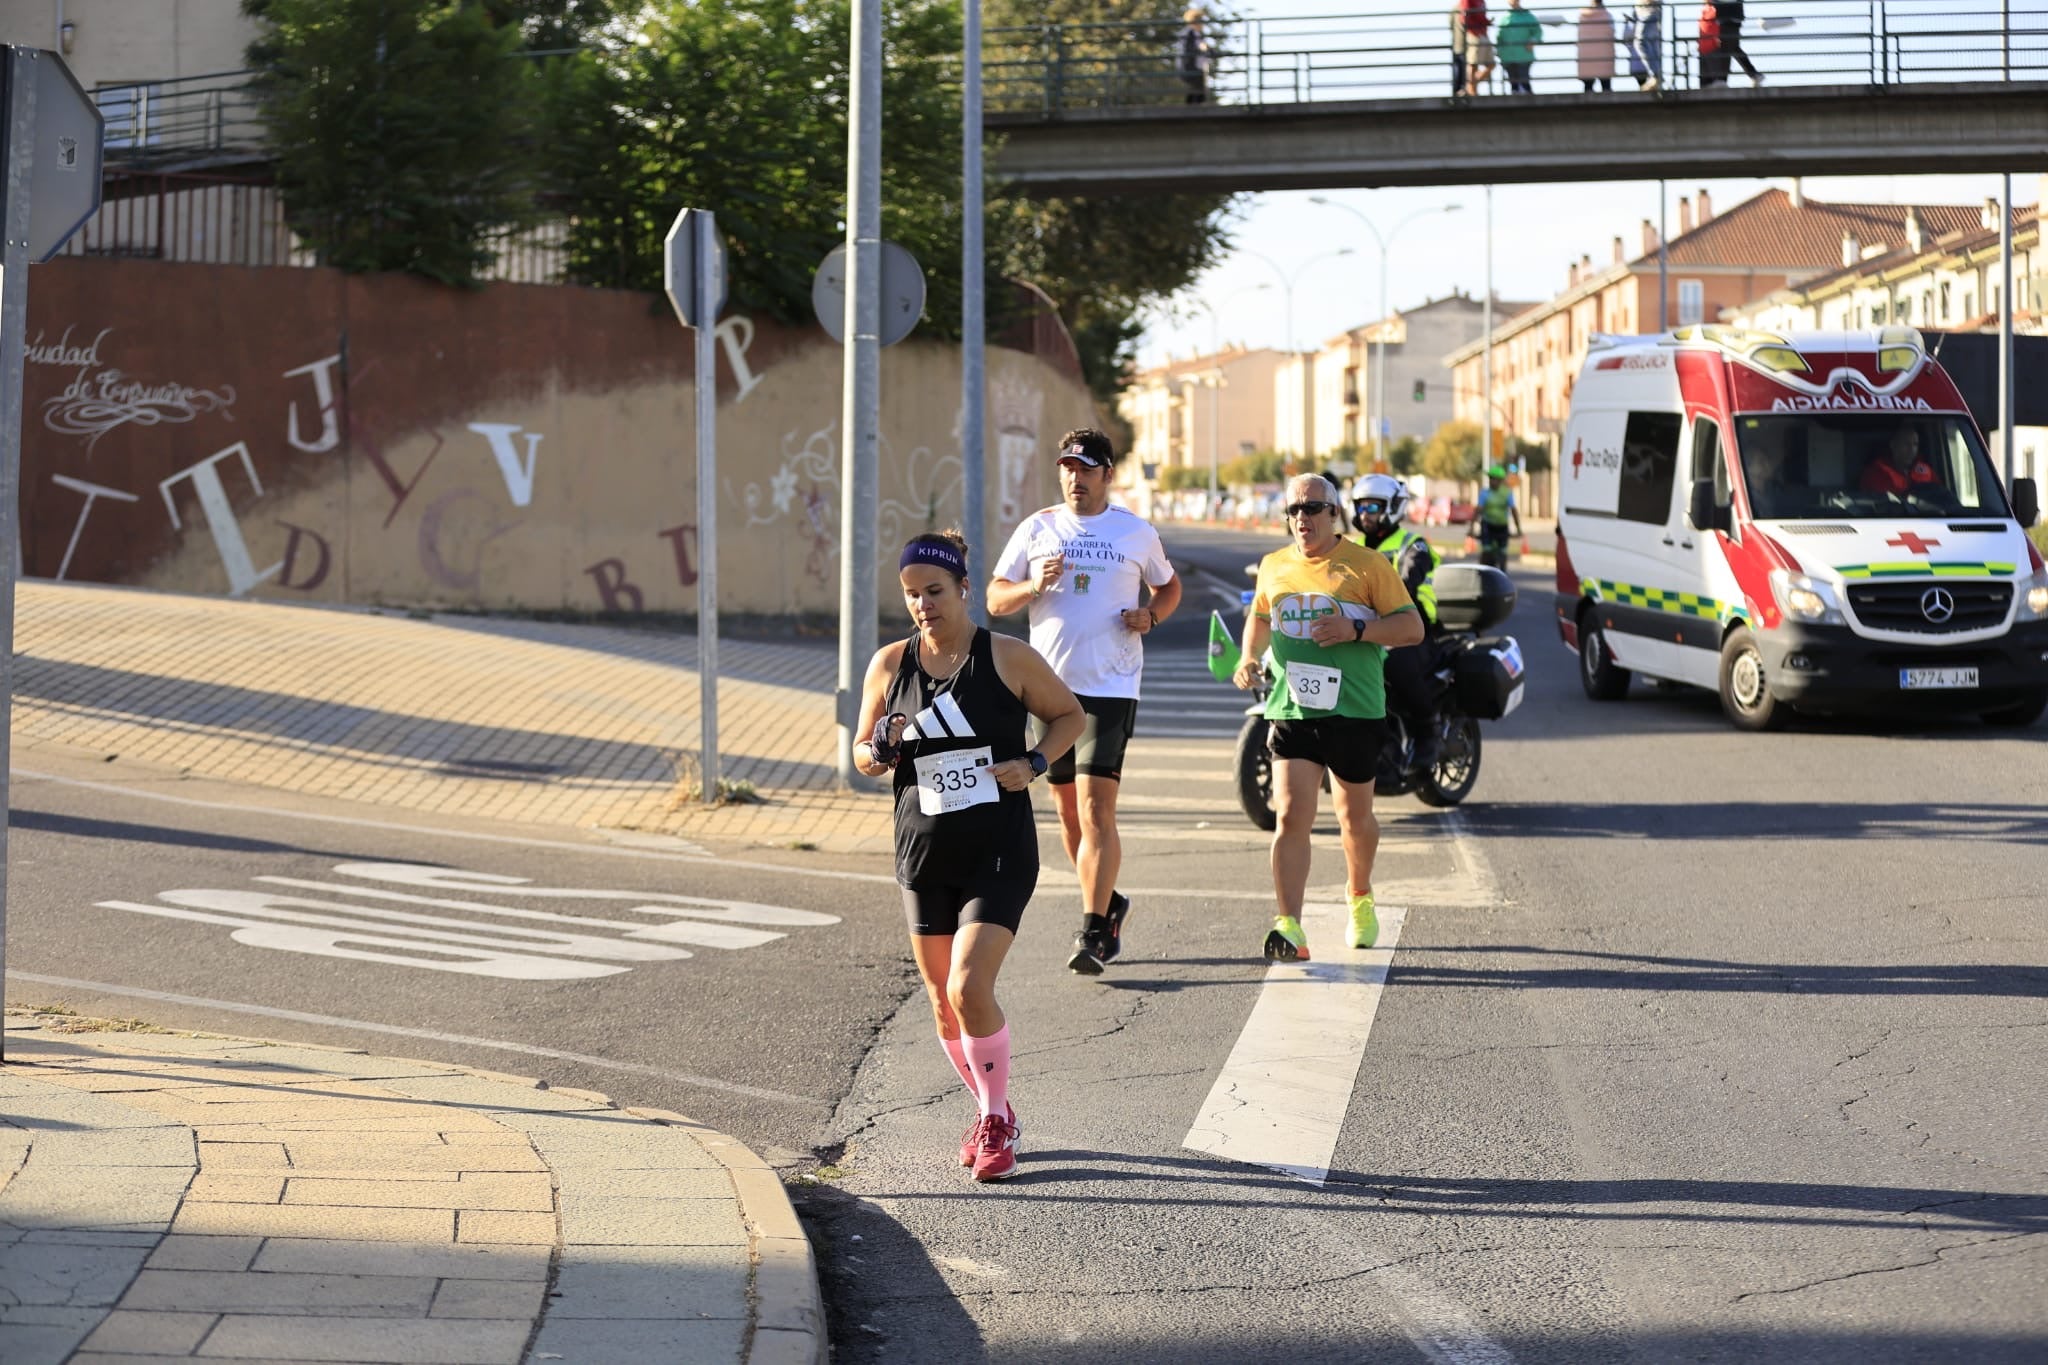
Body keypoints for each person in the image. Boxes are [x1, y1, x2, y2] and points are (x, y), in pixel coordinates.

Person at [854, 531, 1084, 1183]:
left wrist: (1034, 762)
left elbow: (1071, 716)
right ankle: (994, 1104)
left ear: (962, 589)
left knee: (967, 985)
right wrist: (881, 750)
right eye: (911, 594)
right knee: (940, 999)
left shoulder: (1006, 657)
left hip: (998, 850)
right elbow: (862, 754)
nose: (923, 604)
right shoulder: (888, 665)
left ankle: (994, 1123)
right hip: (923, 851)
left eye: (934, 590)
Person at [990, 428, 1182, 977]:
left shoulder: (1134, 533)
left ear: (1107, 475)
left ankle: (1093, 929)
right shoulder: (1038, 528)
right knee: (1070, 819)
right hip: (1049, 690)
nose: (1076, 478)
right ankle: (1109, 901)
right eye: (1068, 467)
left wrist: (1152, 616)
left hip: (1111, 686)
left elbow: (1168, 588)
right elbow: (994, 598)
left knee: (1098, 810)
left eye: (1086, 468)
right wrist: (1032, 587)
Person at [1234, 475, 1423, 961]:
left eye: (1313, 508)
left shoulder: (1368, 564)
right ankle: (1290, 926)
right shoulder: (1275, 566)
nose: (1302, 518)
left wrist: (1355, 628)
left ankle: (1359, 895)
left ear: (1334, 513)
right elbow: (1259, 614)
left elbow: (1411, 627)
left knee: (1353, 818)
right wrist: (1247, 657)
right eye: (1293, 509)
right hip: (1292, 707)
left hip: (1355, 709)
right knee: (1291, 817)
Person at [1351, 474, 1445, 769]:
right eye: (1361, 507)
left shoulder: (1412, 546)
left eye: (1372, 507)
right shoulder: (1353, 547)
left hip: (1412, 628)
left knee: (1394, 662)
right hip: (1369, 629)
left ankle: (1427, 729)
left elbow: (1408, 582)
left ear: (1392, 507)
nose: (1365, 515)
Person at [1466, 463, 1523, 562]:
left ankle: (1502, 570)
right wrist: (1471, 528)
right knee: (1486, 551)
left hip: (1502, 526)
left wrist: (1518, 529)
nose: (1491, 481)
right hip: (1488, 525)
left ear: (1500, 480)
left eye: (1494, 479)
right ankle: (1484, 571)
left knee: (1503, 552)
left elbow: (1513, 510)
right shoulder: (1485, 493)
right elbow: (1478, 511)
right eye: (1490, 478)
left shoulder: (1507, 493)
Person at [1859, 427, 1936, 496]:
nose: (1912, 450)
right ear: (1893, 445)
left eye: (1915, 444)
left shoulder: (1926, 471)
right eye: (1906, 444)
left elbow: (1940, 496)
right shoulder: (1876, 472)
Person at [1714, 0, 1763, 85]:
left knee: (1728, 48)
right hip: (1730, 17)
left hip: (1728, 17)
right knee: (1733, 48)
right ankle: (1754, 74)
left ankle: (1722, 79)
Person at [1498, 0, 1542, 94]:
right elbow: (1499, 37)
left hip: (1523, 54)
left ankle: (1528, 99)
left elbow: (1537, 31)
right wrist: (1499, 50)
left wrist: (1532, 41)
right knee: (1513, 83)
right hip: (1507, 55)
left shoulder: (1527, 16)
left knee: (1524, 80)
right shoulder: (1504, 17)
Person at [1624, 0, 1663, 91]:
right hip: (1647, 10)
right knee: (1651, 44)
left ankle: (1655, 76)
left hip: (1647, 10)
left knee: (1640, 42)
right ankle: (1656, 77)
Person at [1577, 1, 1616, 91]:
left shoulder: (1583, 16)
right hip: (1604, 55)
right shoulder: (1607, 16)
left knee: (1588, 86)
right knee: (1606, 85)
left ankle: (1586, 103)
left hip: (1586, 56)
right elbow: (1612, 32)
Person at [1460, 0, 1495, 95]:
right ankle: (1472, 90)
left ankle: (1471, 86)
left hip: (1483, 32)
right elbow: (1465, 15)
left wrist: (1487, 21)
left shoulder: (1482, 1)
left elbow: (1480, 15)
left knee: (1491, 64)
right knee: (1473, 63)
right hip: (1474, 33)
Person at [1178, 8, 1212, 105]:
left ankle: (1191, 112)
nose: (1202, 24)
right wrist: (1203, 49)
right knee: (1197, 94)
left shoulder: (1194, 33)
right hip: (1192, 68)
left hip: (1195, 68)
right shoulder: (1190, 33)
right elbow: (1192, 48)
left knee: (1195, 93)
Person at [1449, 2, 1470, 97]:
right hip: (1463, 44)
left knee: (1458, 69)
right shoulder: (1459, 9)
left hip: (1459, 44)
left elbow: (1450, 25)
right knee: (1461, 69)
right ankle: (1461, 89)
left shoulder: (1455, 8)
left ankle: (1458, 90)